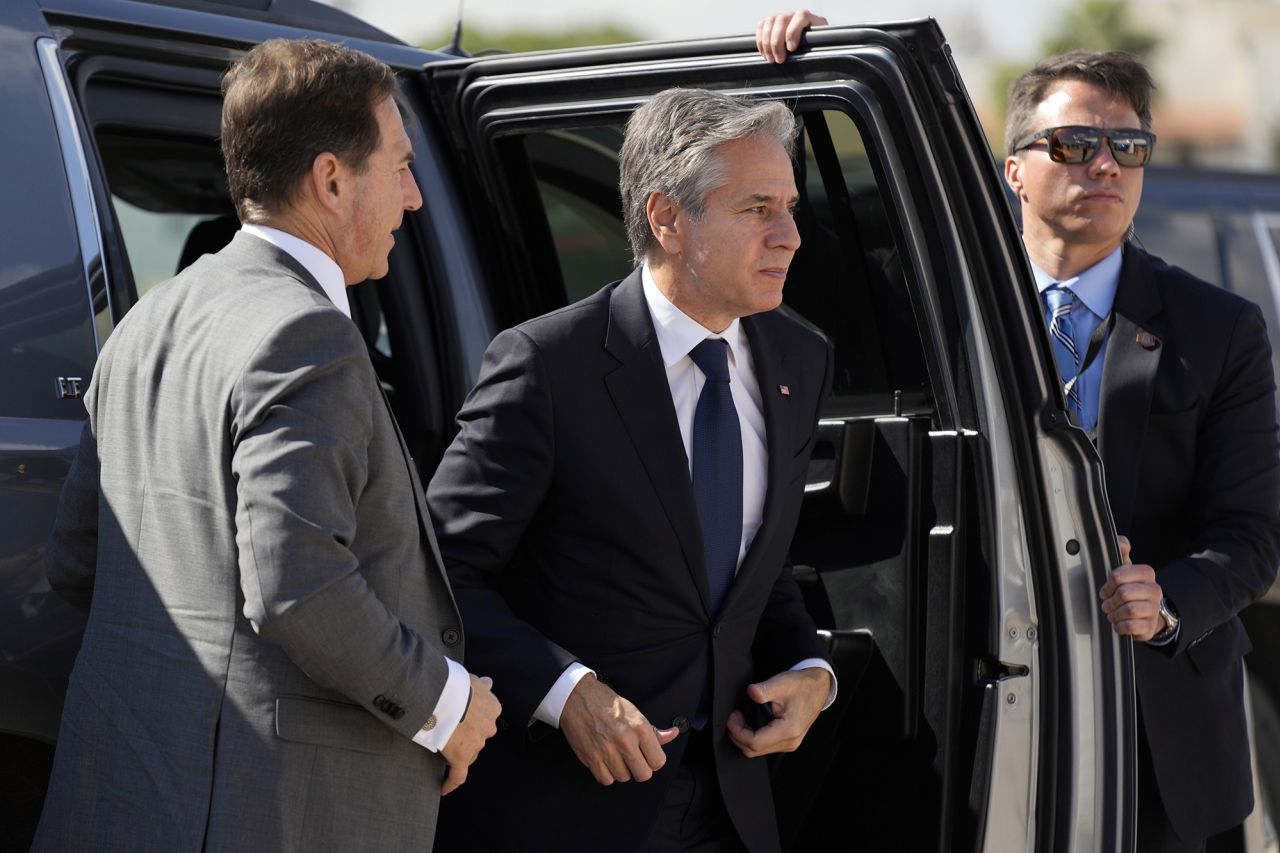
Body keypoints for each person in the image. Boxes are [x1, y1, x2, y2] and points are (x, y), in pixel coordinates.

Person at [758, 14, 1280, 851]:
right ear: (1014, 169)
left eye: (1128, 146)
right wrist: (808, 68)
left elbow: (1252, 536)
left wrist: (1170, 599)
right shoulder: (924, 295)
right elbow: (798, 233)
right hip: (968, 699)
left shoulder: (1219, 327)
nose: (1107, 163)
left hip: (1157, 744)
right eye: (1075, 143)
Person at [33, 38, 499, 851]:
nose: (415, 198)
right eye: (399, 167)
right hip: (275, 811)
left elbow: (79, 561)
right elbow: (298, 588)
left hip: (123, 796)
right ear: (329, 178)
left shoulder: (146, 321)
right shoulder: (307, 333)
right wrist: (445, 705)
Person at [427, 87, 836, 853]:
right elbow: (441, 571)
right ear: (668, 219)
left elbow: (755, 563)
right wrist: (564, 691)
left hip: (729, 808)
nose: (790, 236)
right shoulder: (548, 365)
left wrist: (812, 669)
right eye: (757, 209)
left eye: (790, 207)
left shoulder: (799, 357)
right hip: (561, 811)